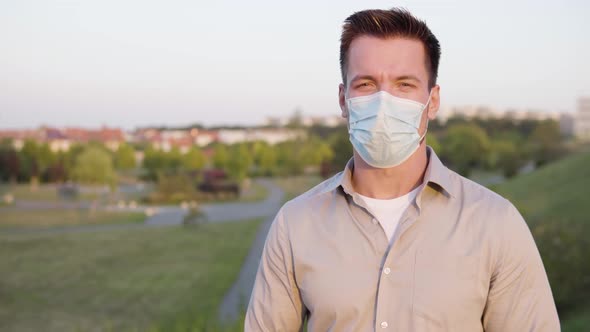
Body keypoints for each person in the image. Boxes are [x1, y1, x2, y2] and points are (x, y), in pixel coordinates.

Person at [245, 8, 560, 331]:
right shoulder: (295, 224)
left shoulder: (496, 224)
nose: (384, 102)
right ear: (343, 99)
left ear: (433, 100)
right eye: (366, 84)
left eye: (404, 85)